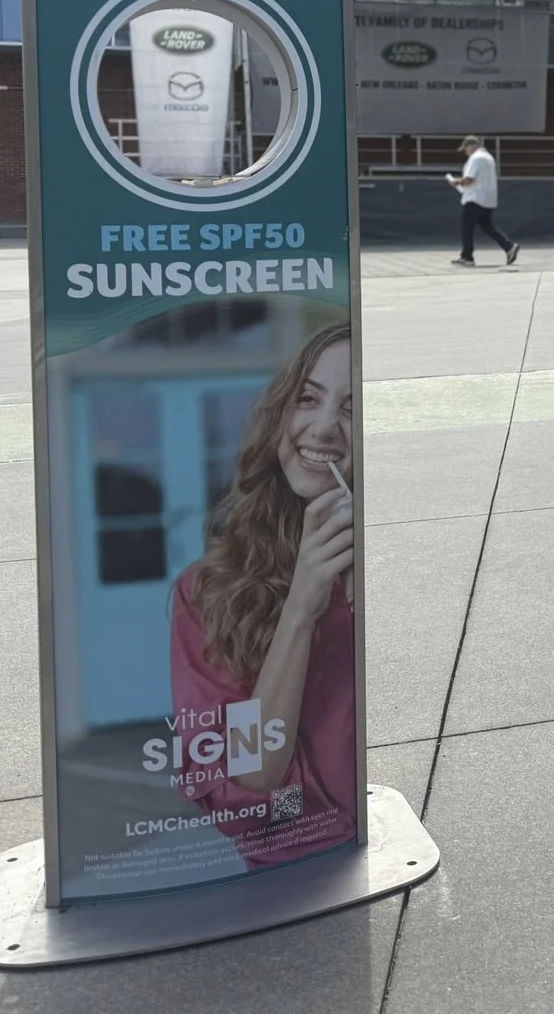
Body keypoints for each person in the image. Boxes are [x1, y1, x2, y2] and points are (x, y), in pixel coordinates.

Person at [168, 321, 357, 869]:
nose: (322, 428)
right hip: (292, 877)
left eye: (350, 407)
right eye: (308, 399)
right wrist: (302, 603)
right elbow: (251, 770)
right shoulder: (209, 591)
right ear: (280, 415)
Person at [446, 135, 519, 267]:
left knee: (466, 226)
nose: (465, 152)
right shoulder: (488, 158)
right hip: (488, 198)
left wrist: (455, 182)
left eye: (466, 148)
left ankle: (467, 256)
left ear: (472, 146)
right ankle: (509, 247)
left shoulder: (476, 158)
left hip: (475, 198)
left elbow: (469, 179)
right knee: (487, 226)